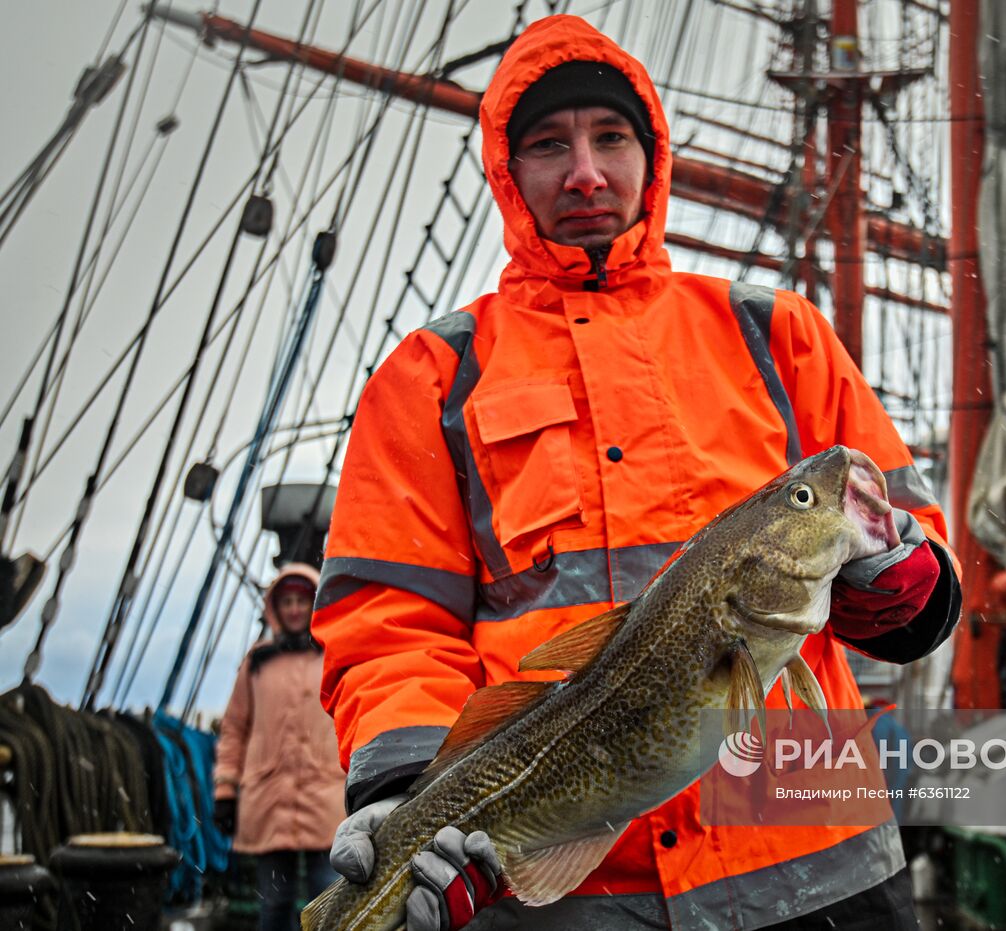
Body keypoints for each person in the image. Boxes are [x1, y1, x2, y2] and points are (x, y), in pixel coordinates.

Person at [312, 14, 962, 931]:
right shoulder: (430, 378)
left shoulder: (775, 333)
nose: (586, 171)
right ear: (508, 170)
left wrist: (901, 575)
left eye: (611, 137)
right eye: (549, 144)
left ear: (650, 155)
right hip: (564, 887)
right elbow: (390, 627)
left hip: (818, 872)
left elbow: (909, 535)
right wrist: (416, 799)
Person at [213, 564, 346, 931]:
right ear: (275, 607)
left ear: (313, 605)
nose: (293, 609)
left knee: (331, 898)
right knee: (274, 904)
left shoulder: (332, 656)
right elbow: (235, 729)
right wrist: (225, 790)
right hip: (269, 798)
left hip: (325, 797)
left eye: (301, 602)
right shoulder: (256, 662)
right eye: (286, 602)